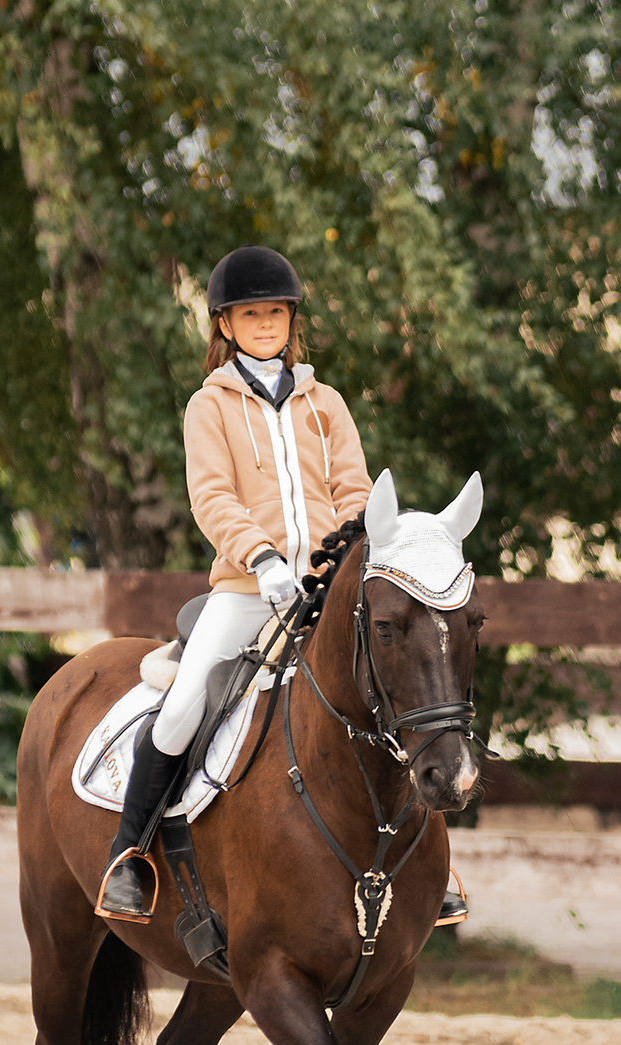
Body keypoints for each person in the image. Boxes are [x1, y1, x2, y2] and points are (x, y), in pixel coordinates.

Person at [98, 244, 468, 927]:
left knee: (392, 694)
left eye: (275, 312)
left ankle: (431, 868)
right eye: (250, 314)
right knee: (182, 705)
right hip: (245, 589)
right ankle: (131, 855)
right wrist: (262, 559)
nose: (265, 324)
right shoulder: (209, 408)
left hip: (329, 590)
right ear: (226, 326)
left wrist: (356, 551)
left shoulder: (325, 404)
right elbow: (212, 497)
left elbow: (355, 491)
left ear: (291, 320)